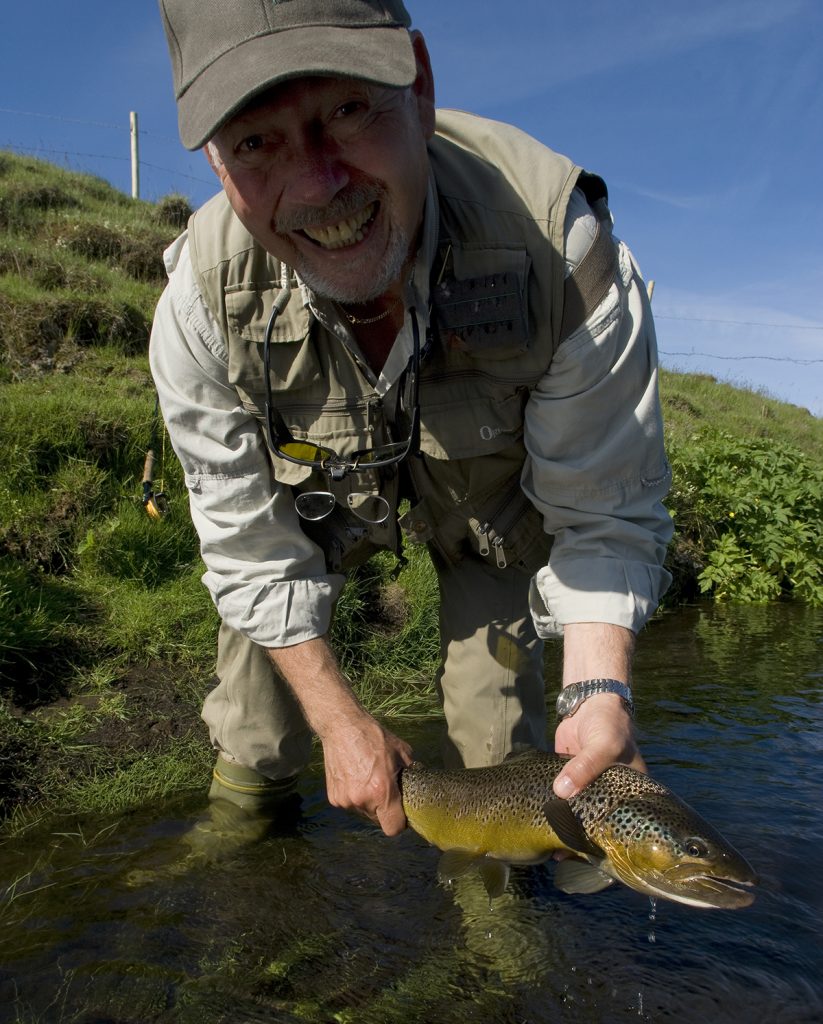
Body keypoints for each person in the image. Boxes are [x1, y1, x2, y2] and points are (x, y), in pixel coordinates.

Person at [151, 0, 673, 837]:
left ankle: (497, 938)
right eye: (255, 142)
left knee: (506, 754)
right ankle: (239, 859)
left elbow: (603, 513)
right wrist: (338, 722)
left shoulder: (562, 253)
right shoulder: (198, 308)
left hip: (492, 519)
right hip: (316, 521)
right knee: (256, 734)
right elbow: (249, 552)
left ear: (420, 88)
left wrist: (598, 691)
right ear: (216, 162)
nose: (319, 185)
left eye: (349, 110)